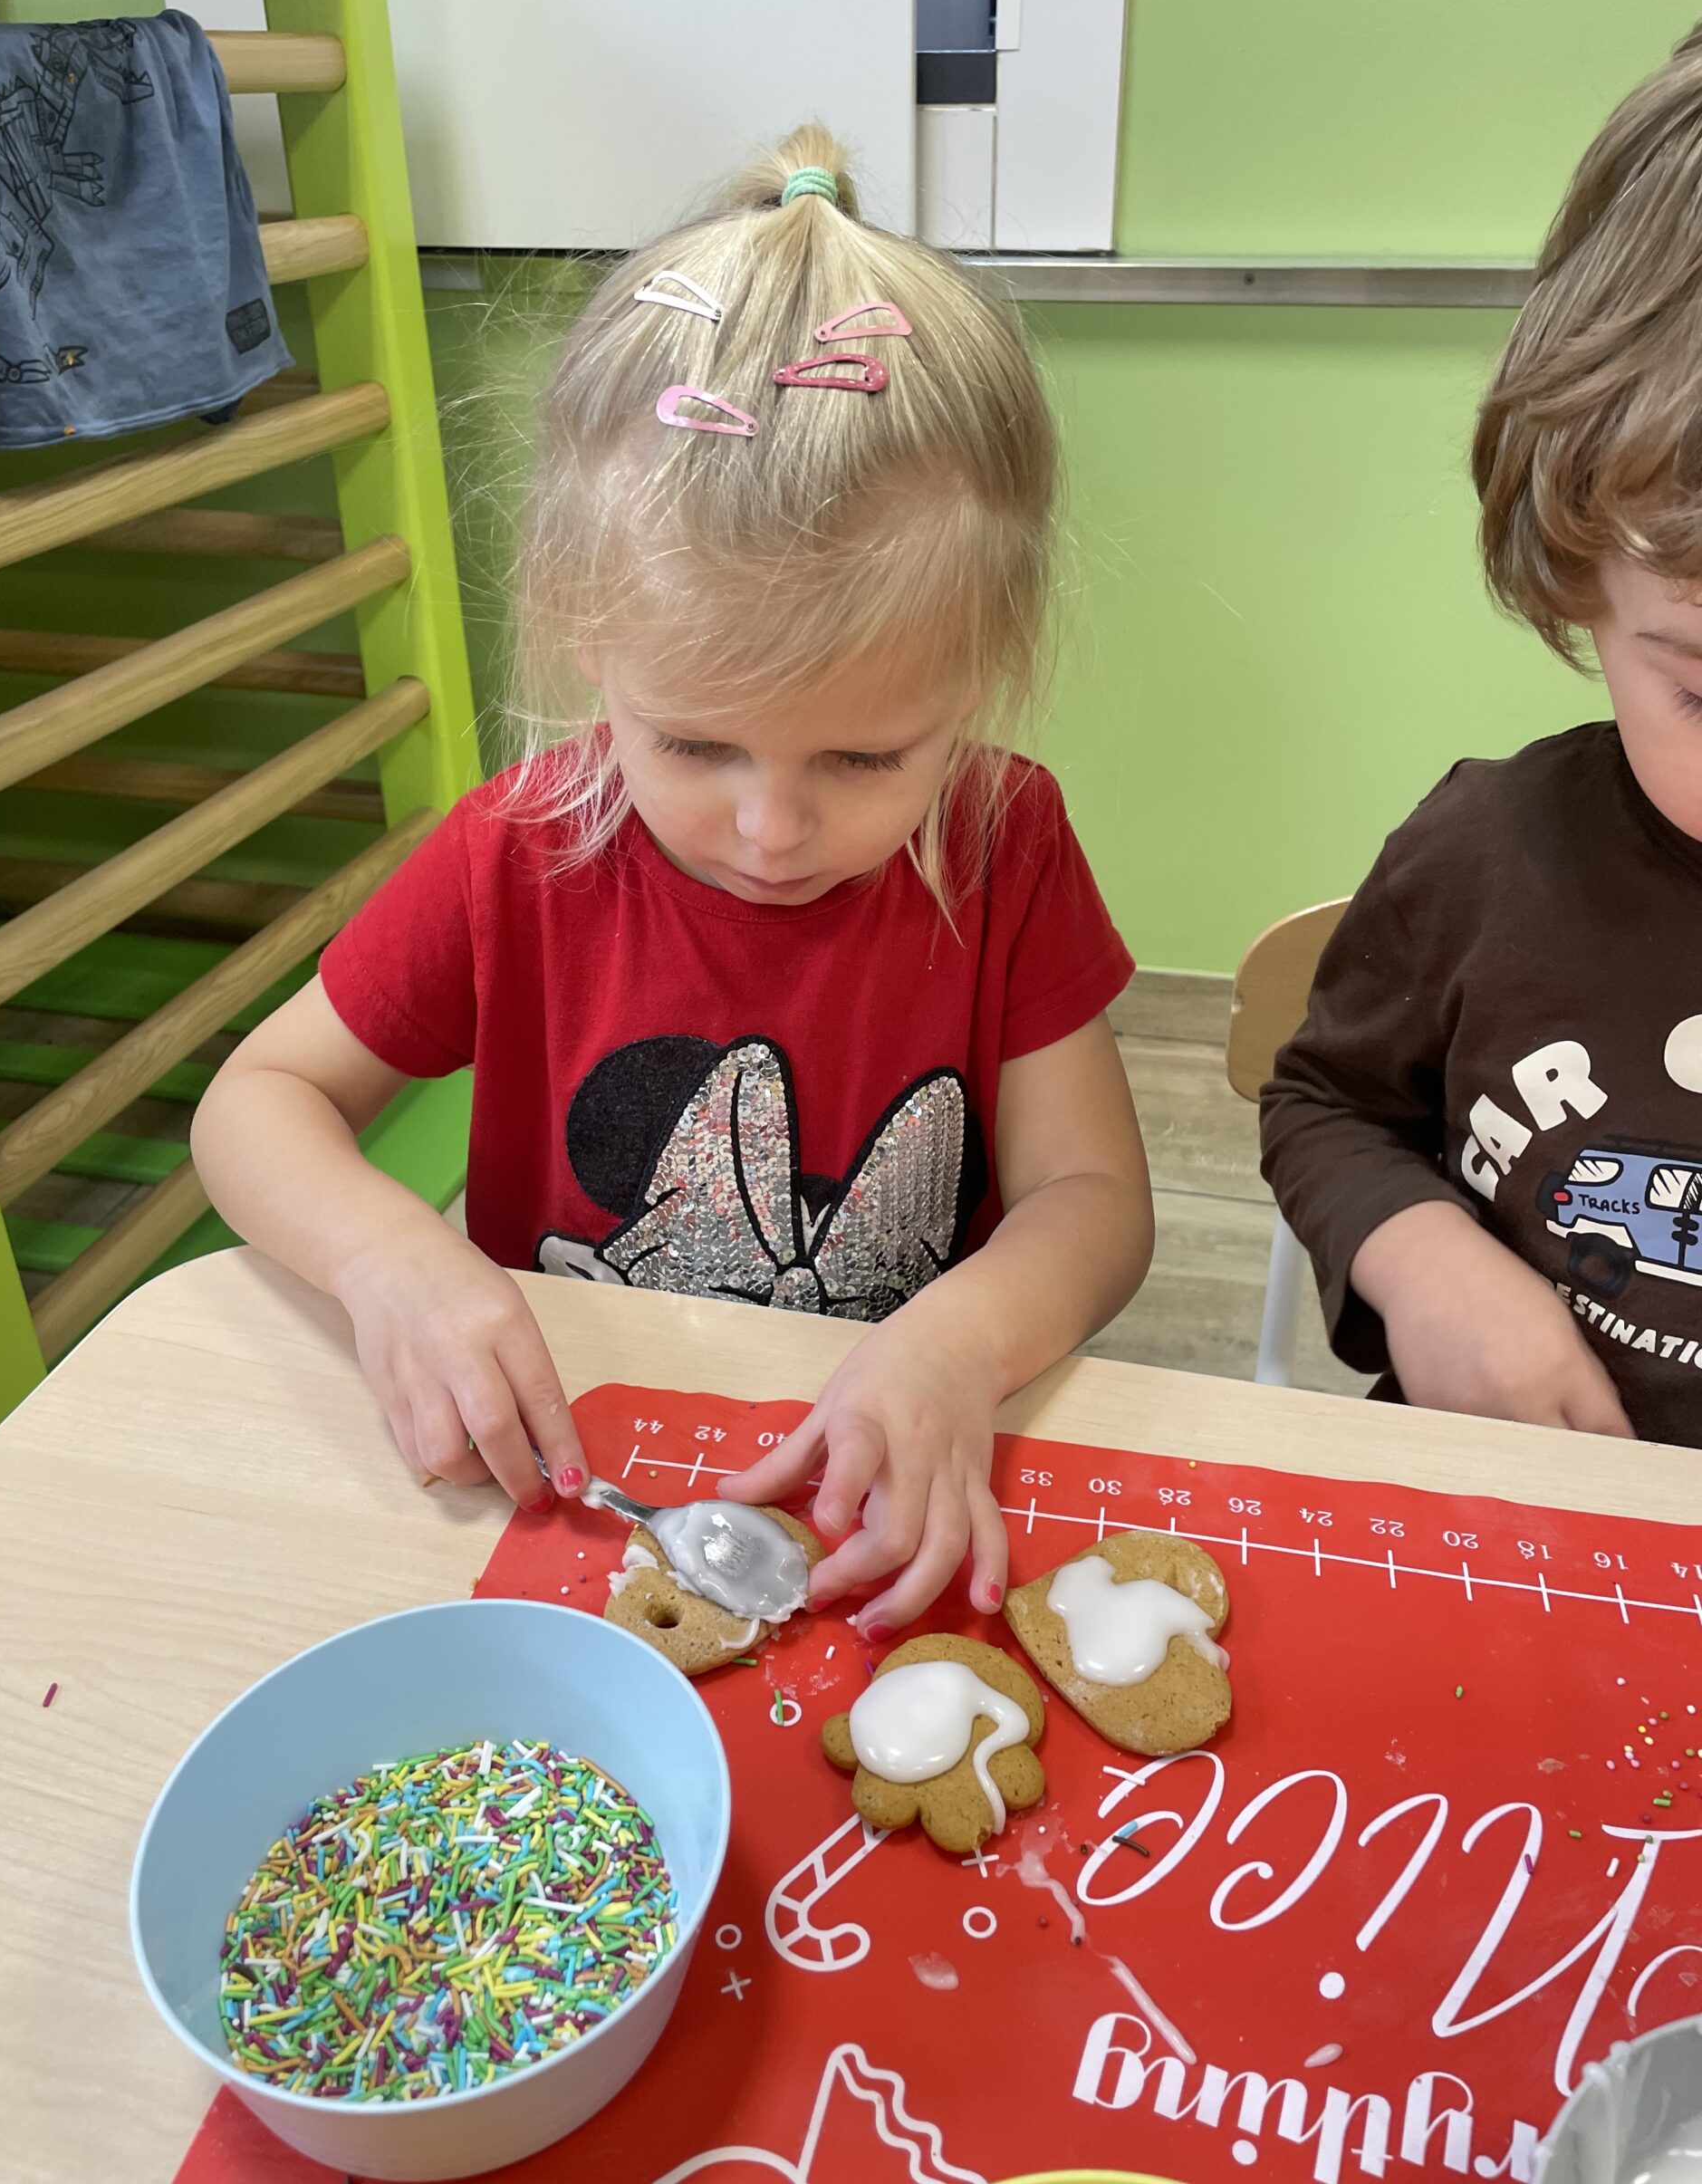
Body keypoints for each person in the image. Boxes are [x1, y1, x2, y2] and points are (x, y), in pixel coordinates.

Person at [192, 126, 1154, 1631]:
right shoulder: (516, 849)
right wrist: (389, 1262)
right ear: (587, 634)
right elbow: (254, 1104)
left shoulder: (1003, 842)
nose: (770, 829)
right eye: (696, 745)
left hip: (879, 1485)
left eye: (864, 759)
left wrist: (965, 1342)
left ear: (980, 674)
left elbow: (1093, 1199)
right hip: (569, 1480)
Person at [1260, 27, 1702, 1449]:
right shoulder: (1486, 858)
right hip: (1503, 1512)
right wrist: (1422, 1257)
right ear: (1578, 578)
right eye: (1700, 691)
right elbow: (1324, 1104)